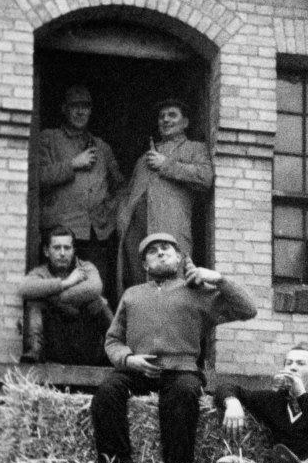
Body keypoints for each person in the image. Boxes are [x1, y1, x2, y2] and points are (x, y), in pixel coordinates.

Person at [92, 232, 256, 463]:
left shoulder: (199, 293)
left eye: (166, 248)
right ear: (145, 265)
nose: (160, 252)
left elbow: (248, 309)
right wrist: (128, 360)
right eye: (153, 251)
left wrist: (219, 279)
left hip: (181, 372)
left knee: (184, 394)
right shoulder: (132, 295)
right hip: (138, 371)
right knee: (107, 392)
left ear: (178, 258)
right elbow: (113, 340)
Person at [39, 84, 124, 305]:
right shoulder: (48, 139)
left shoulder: (102, 147)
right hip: (61, 231)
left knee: (95, 296)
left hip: (96, 234)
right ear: (64, 109)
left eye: (85, 106)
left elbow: (120, 186)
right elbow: (36, 178)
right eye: (74, 106)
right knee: (59, 295)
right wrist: (72, 164)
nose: (80, 112)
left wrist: (109, 210)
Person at [117, 99, 214, 290]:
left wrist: (165, 165)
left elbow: (205, 177)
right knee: (140, 288)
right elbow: (128, 193)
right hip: (138, 238)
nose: (166, 120)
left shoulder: (194, 148)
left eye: (172, 115)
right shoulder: (143, 159)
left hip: (171, 231)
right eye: (162, 116)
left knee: (174, 286)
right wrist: (123, 216)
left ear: (185, 122)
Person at [17, 226, 113, 365]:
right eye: (57, 248)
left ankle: (116, 351)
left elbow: (95, 288)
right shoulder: (41, 272)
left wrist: (49, 295)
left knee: (98, 303)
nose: (62, 253)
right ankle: (34, 351)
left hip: (84, 343)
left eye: (67, 248)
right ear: (46, 251)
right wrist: (66, 283)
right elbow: (24, 288)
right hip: (56, 344)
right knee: (34, 303)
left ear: (73, 250)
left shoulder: (85, 268)